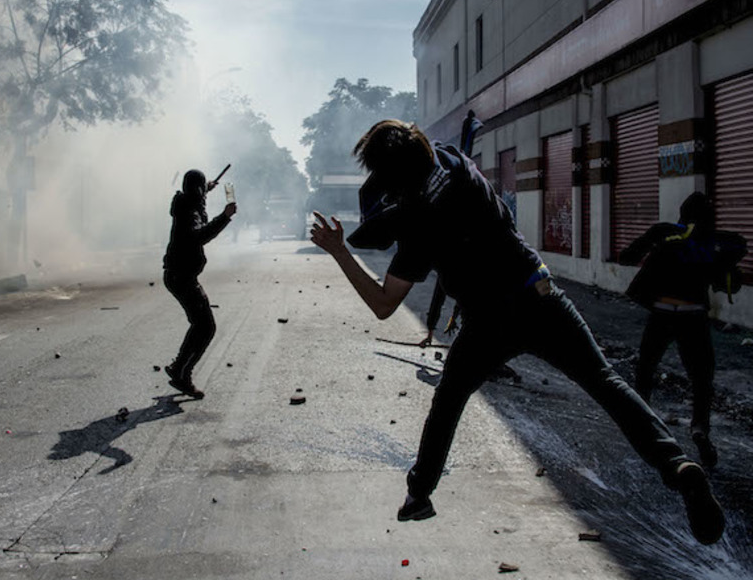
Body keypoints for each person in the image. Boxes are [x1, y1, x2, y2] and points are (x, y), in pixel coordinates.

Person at [309, 119, 725, 545]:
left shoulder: (416, 224)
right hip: (540, 295)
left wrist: (340, 250)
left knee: (448, 401)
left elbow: (383, 305)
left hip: (487, 322)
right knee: (606, 383)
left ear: (393, 179)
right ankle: (677, 466)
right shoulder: (455, 163)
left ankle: (419, 493)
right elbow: (417, 157)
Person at [620, 192, 747, 468]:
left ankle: (642, 424)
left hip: (662, 313)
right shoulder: (713, 243)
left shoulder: (665, 233)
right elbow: (739, 247)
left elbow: (626, 257)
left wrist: (657, 243)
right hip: (694, 317)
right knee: (702, 377)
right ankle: (700, 428)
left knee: (646, 368)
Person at [163, 169, 237, 398]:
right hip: (182, 277)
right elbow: (200, 236)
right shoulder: (189, 210)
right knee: (205, 327)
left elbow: (196, 196)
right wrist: (224, 216)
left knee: (201, 325)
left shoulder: (185, 202)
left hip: (179, 275)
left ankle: (179, 367)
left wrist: (207, 188)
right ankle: (181, 373)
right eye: (202, 187)